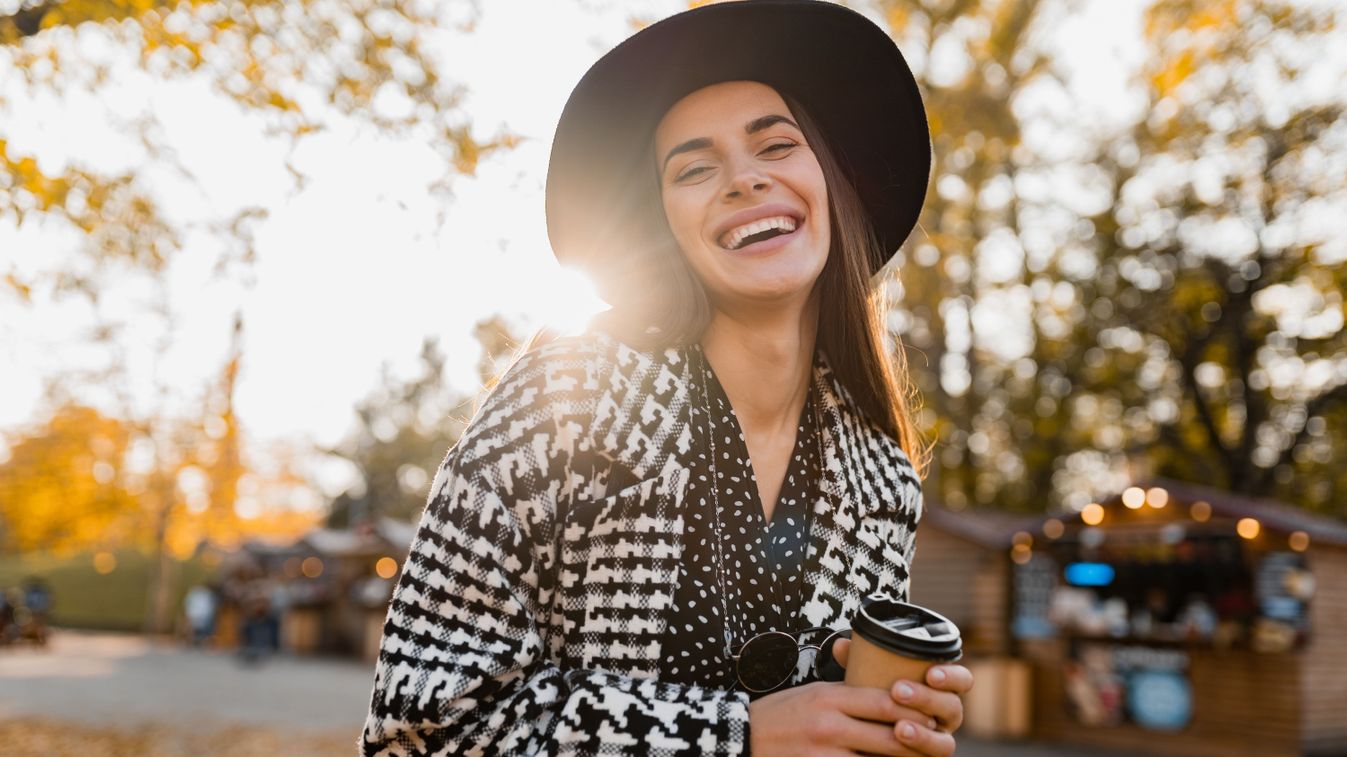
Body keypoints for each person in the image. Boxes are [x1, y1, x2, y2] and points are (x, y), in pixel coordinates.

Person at [362, 2, 973, 754]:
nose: (744, 179)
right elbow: (415, 732)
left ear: (830, 182)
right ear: (664, 224)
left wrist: (889, 723)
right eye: (693, 167)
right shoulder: (560, 401)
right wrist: (735, 737)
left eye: (775, 145)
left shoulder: (881, 478)